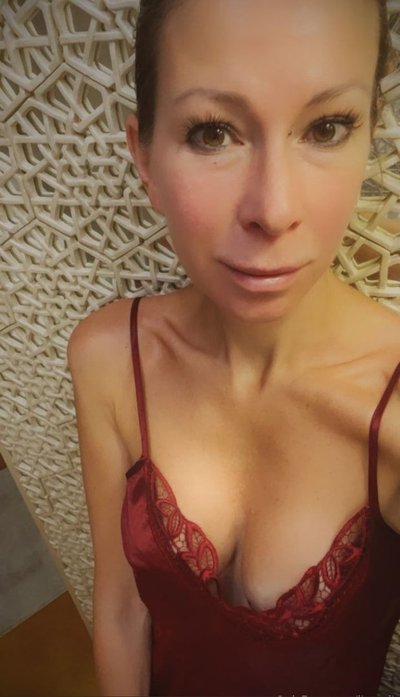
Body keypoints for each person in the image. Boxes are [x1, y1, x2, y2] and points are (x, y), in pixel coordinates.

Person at [67, 1, 400, 695]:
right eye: (213, 132)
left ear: (371, 132)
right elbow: (123, 613)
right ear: (143, 156)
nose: (274, 210)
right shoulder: (108, 360)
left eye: (327, 127)